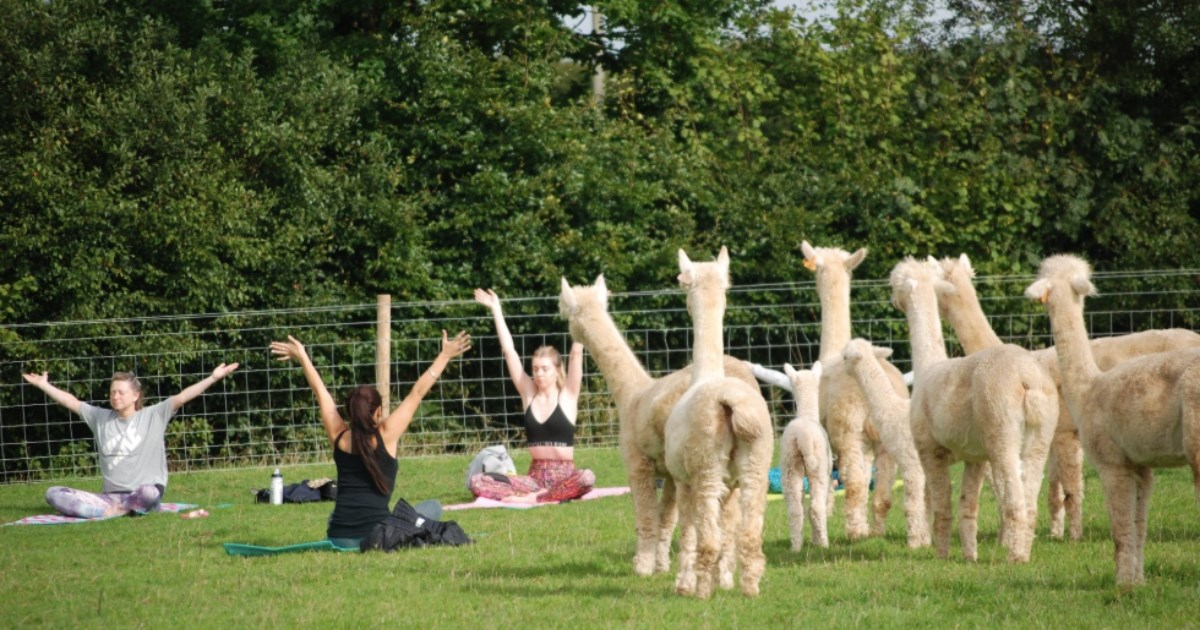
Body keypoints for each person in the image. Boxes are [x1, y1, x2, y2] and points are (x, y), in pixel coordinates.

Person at [269, 330, 471, 549]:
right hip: (378, 537)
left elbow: (320, 392)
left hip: (337, 536)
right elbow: (417, 393)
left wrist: (303, 357)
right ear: (378, 412)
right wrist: (445, 355)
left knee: (334, 516)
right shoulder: (387, 434)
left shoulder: (339, 437)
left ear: (350, 412)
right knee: (432, 507)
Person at [22, 364, 240, 518]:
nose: (115, 396)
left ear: (136, 396)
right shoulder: (100, 417)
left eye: (121, 392)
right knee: (53, 493)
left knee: (150, 493)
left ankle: (126, 508)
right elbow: (71, 401)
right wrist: (44, 385)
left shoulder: (154, 415)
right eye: (112, 392)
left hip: (142, 493)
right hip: (110, 499)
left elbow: (183, 396)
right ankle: (105, 512)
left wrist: (213, 378)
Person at [469, 288, 595, 504]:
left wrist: (587, 309)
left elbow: (576, 353)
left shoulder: (568, 396)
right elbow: (509, 351)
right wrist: (496, 309)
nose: (538, 374)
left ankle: (532, 498)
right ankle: (537, 496)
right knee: (478, 481)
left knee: (587, 478)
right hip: (533, 479)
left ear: (557, 371)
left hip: (565, 477)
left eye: (545, 369)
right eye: (535, 369)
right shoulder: (529, 393)